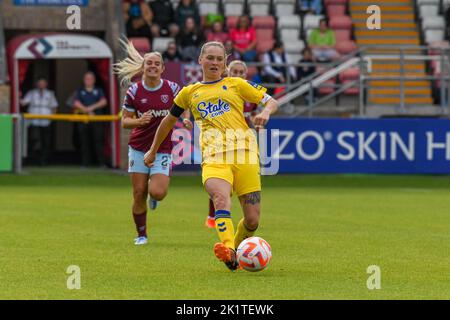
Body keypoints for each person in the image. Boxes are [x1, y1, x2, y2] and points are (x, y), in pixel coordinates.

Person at [143, 41, 278, 270]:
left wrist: (265, 111)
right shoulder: (189, 93)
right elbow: (168, 122)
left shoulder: (237, 84)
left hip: (245, 155)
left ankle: (234, 252)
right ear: (200, 60)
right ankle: (226, 247)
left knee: (253, 220)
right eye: (210, 58)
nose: (215, 62)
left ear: (224, 63)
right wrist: (153, 149)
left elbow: (271, 101)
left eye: (219, 59)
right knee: (220, 199)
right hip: (214, 157)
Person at [114, 40, 193, 245]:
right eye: (149, 63)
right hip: (139, 148)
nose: (152, 66)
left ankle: (154, 198)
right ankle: (141, 235)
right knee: (138, 193)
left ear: (162, 68)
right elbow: (125, 122)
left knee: (158, 192)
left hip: (162, 148)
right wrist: (139, 121)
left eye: (157, 63)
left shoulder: (173, 88)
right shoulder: (134, 92)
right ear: (143, 67)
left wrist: (186, 118)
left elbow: (185, 104)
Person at [204, 60, 259, 229]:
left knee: (244, 180)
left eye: (241, 72)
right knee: (220, 180)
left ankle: (247, 217)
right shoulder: (222, 90)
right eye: (234, 71)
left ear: (245, 74)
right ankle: (213, 215)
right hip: (220, 140)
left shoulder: (250, 92)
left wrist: (256, 120)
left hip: (243, 140)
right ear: (228, 72)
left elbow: (254, 112)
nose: (237, 75)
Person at [72, 72, 108, 167]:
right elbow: (76, 103)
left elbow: (103, 102)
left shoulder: (98, 90)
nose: (89, 80)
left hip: (96, 119)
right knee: (84, 141)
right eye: (87, 79)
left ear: (94, 80)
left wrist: (91, 108)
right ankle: (85, 163)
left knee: (98, 141)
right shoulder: (80, 91)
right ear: (84, 80)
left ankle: (101, 163)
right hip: (83, 119)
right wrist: (87, 111)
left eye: (91, 78)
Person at [20, 77, 58, 166]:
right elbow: (23, 103)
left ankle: (44, 161)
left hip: (46, 121)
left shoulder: (50, 94)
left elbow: (54, 106)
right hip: (34, 121)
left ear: (46, 84)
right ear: (37, 84)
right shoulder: (31, 93)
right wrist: (17, 95)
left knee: (46, 141)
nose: (41, 85)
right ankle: (31, 159)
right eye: (39, 83)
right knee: (34, 139)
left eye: (43, 83)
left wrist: (52, 117)